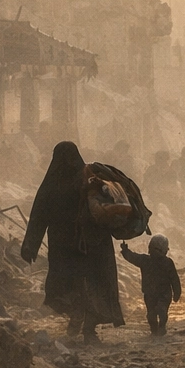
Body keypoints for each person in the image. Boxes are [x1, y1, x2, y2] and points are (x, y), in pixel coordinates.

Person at [21, 141, 122, 344]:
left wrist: (30, 245)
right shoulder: (89, 178)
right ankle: (88, 328)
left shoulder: (53, 183)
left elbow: (39, 215)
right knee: (93, 283)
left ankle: (79, 318)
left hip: (65, 245)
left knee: (69, 282)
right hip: (92, 244)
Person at [120, 234, 183, 336]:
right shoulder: (163, 262)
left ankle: (159, 328)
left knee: (157, 312)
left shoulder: (148, 261)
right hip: (156, 294)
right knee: (154, 313)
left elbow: (132, 257)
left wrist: (125, 251)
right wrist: (177, 293)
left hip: (158, 294)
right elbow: (175, 279)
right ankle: (156, 330)